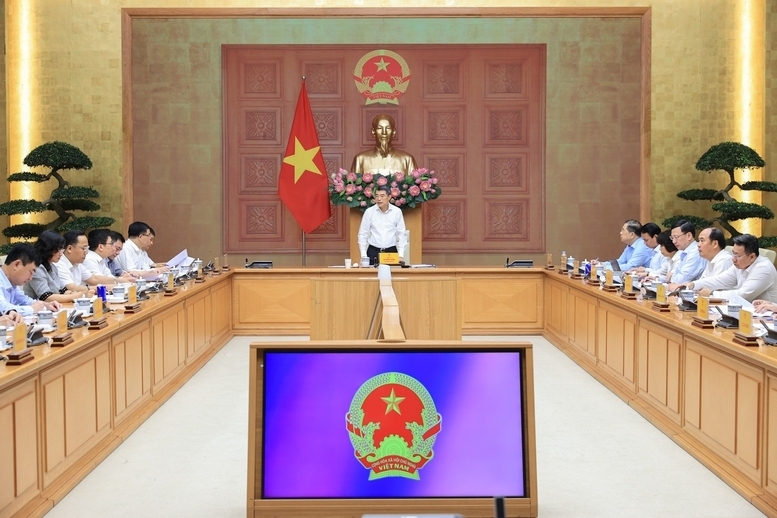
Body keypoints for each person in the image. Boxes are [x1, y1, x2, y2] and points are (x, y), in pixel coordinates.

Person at [686, 234, 777, 303]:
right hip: (748, 311)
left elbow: (742, 295)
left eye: (737, 255)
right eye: (733, 253)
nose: (733, 259)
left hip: (767, 317)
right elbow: (720, 280)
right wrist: (694, 284)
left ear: (752, 257)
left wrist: (711, 293)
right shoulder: (740, 264)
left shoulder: (763, 269)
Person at [25, 230, 92, 303]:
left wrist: (80, 294)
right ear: (48, 249)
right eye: (58, 250)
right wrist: (75, 296)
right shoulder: (37, 268)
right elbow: (46, 297)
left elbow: (63, 291)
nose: (61, 254)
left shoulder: (53, 266)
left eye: (62, 250)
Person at [0, 243, 61, 318]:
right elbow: (4, 309)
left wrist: (45, 305)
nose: (30, 278)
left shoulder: (12, 282)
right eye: (30, 272)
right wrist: (32, 309)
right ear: (17, 264)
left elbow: (24, 300)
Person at [667, 226, 731, 292]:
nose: (698, 244)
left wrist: (688, 286)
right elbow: (701, 283)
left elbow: (715, 288)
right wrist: (686, 286)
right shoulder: (710, 260)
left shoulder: (724, 260)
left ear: (715, 244)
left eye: (702, 241)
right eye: (699, 241)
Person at [351, 114, 417, 176]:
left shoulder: (407, 159)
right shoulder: (360, 159)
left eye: (388, 128)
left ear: (394, 132)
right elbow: (353, 183)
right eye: (379, 128)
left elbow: (414, 183)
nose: (384, 132)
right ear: (373, 131)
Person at [357, 185, 407, 265]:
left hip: (391, 252)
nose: (379, 199)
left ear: (389, 197)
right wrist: (363, 256)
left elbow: (402, 234)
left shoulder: (397, 212)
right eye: (377, 196)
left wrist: (401, 255)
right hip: (373, 252)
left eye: (382, 196)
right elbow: (362, 234)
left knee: (392, 273)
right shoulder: (369, 212)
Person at [665, 219, 707, 284]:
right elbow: (676, 274)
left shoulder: (696, 252)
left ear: (689, 236)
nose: (673, 241)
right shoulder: (684, 251)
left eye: (676, 237)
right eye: (672, 238)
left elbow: (681, 280)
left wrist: (670, 277)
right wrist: (659, 278)